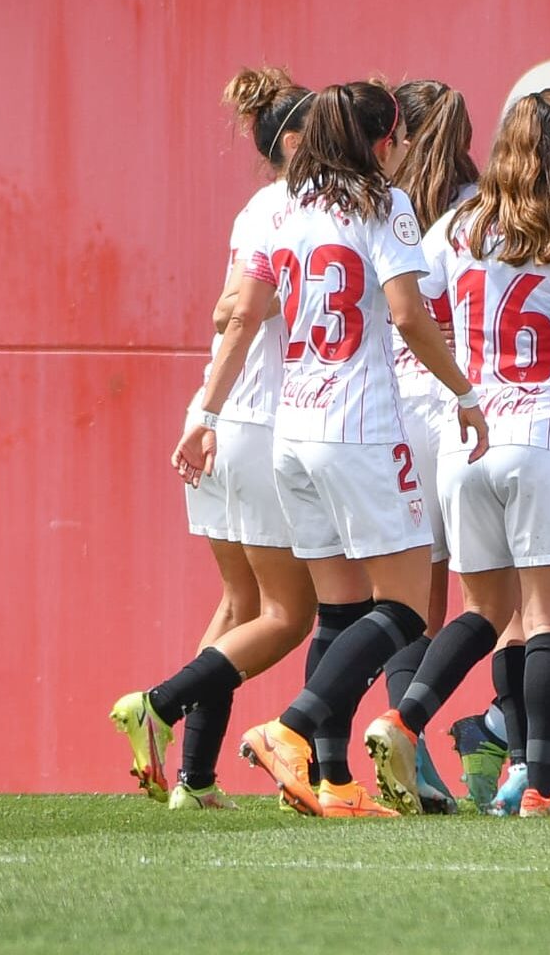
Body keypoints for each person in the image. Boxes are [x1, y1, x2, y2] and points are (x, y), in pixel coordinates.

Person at [195, 80, 488, 819]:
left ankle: (331, 781)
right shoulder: (383, 203)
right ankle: (289, 729)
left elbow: (240, 307)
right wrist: (464, 390)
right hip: (354, 427)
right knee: (405, 611)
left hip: (289, 427)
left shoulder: (283, 205)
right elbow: (409, 319)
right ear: (384, 139)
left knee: (335, 613)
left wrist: (206, 407)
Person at [364, 91, 550, 817]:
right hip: (545, 437)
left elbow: (411, 308)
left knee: (486, 609)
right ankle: (542, 786)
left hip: (473, 436)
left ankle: (404, 719)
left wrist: (463, 369)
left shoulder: (461, 225)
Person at [106, 68, 317, 812]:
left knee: (239, 602)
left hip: (223, 416)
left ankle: (194, 780)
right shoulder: (304, 207)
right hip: (259, 422)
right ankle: (158, 705)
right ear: (296, 139)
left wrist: (202, 407)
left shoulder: (258, 205)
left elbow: (227, 309)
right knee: (292, 615)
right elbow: (242, 312)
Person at [376, 77, 479, 813]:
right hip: (463, 401)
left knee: (413, 603)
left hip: (396, 406)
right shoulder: (480, 200)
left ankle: (410, 747)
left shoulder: (383, 200)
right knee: (501, 596)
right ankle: (504, 757)